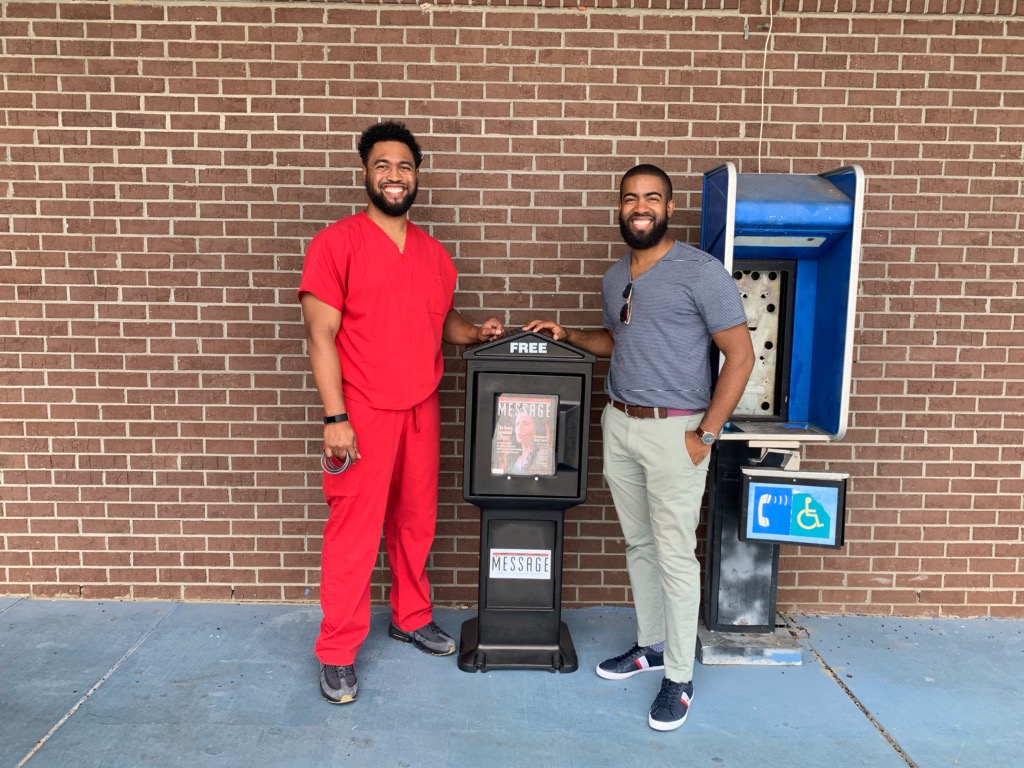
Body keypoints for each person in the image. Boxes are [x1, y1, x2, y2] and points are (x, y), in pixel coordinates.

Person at [524, 164, 753, 731]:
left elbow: (741, 356)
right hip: (620, 423)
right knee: (639, 544)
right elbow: (616, 338)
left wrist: (707, 434)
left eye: (652, 198)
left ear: (670, 209)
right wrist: (569, 335)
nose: (640, 207)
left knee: (675, 555)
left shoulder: (700, 272)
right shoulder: (615, 275)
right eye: (630, 199)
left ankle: (678, 678)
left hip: (678, 432)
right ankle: (649, 645)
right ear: (620, 208)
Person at [299, 121, 504, 705]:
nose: (395, 175)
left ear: (418, 176)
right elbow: (321, 337)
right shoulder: (335, 244)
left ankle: (411, 616)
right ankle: (336, 651)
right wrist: (334, 417)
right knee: (353, 534)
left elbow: (440, 322)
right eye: (384, 165)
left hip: (421, 407)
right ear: (365, 173)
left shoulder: (435, 255)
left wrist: (475, 333)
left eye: (405, 166)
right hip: (360, 411)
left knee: (415, 525)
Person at [504, 410, 552, 474]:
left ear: (536, 428)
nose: (520, 428)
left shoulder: (545, 455)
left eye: (526, 424)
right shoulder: (514, 458)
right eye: (517, 424)